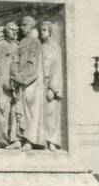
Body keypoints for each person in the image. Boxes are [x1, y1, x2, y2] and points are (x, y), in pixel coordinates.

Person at [10, 15, 45, 150]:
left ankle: (29, 141)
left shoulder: (35, 42)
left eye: (24, 25)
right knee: (18, 110)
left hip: (31, 83)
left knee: (30, 111)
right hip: (20, 81)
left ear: (31, 26)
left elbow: (33, 64)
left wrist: (22, 78)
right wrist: (15, 75)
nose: (21, 27)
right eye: (21, 25)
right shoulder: (21, 42)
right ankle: (19, 138)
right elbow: (15, 60)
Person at [0, 18, 20, 146]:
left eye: (16, 30)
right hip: (2, 84)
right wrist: (2, 82)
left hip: (15, 84)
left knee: (14, 111)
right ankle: (1, 139)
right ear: (5, 31)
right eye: (11, 29)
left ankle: (13, 138)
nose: (14, 32)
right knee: (2, 109)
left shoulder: (18, 46)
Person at [38, 19, 64, 150]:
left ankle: (52, 140)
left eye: (44, 30)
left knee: (51, 113)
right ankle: (42, 140)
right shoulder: (39, 47)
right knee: (40, 113)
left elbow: (57, 68)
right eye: (40, 30)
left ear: (49, 31)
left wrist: (52, 89)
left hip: (50, 83)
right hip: (39, 83)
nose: (41, 33)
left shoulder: (55, 48)